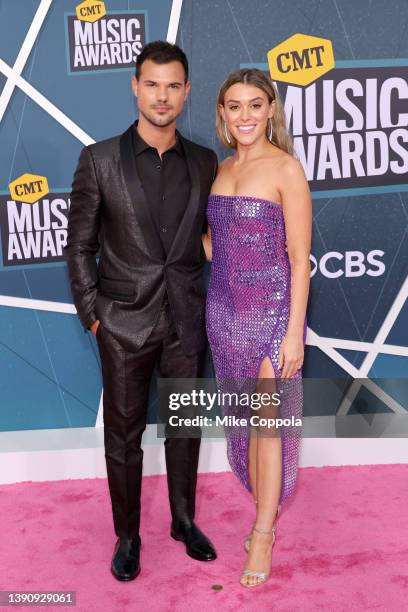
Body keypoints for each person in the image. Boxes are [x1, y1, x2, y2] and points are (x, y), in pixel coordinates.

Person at [65, 41, 217, 582]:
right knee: (123, 439)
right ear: (135, 86)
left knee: (186, 427)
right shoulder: (98, 159)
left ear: (186, 91)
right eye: (152, 84)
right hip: (122, 323)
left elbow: (205, 239)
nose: (162, 96)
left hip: (186, 322)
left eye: (173, 85)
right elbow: (79, 246)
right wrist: (93, 314)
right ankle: (127, 536)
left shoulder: (203, 160)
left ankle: (182, 520)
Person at [204, 68, 311, 587]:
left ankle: (264, 533)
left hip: (271, 314)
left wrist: (293, 334)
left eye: (254, 105)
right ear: (222, 114)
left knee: (267, 426)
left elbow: (298, 256)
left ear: (271, 109)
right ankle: (262, 514)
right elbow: (216, 244)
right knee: (245, 426)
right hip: (224, 313)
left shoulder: (285, 169)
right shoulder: (221, 169)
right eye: (234, 106)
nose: (244, 115)